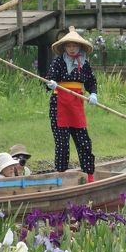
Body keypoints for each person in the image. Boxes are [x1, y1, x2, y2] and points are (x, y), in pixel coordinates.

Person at [45, 26, 98, 183]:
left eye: (75, 46)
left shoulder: (85, 64)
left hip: (76, 104)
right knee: (62, 143)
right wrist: (52, 83)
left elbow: (91, 82)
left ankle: (89, 176)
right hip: (59, 104)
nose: (72, 49)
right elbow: (50, 77)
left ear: (79, 47)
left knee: (84, 141)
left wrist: (93, 93)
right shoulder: (58, 61)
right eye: (69, 46)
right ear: (65, 47)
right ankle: (60, 176)